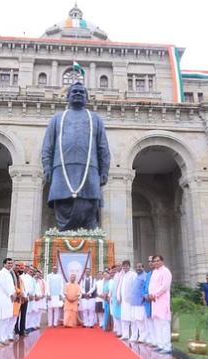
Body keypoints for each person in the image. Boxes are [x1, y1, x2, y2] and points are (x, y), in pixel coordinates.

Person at [41, 81, 111, 231]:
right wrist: (47, 167)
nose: (78, 94)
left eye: (81, 92)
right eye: (74, 92)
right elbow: (48, 146)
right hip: (62, 171)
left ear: (87, 98)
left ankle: (90, 245)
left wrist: (104, 170)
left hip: (89, 172)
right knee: (62, 207)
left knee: (89, 211)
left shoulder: (96, 119)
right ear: (67, 97)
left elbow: (103, 147)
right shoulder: (57, 118)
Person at [147, 254, 173, 354]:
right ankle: (160, 344)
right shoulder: (154, 272)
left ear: (162, 261)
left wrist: (155, 294)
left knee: (163, 323)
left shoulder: (166, 271)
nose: (156, 262)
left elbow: (165, 286)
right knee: (157, 323)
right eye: (154, 261)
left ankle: (167, 346)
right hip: (154, 301)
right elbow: (151, 285)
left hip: (162, 300)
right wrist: (150, 294)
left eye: (158, 260)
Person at [0, 258, 16, 346]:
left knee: (6, 319)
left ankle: (3, 338)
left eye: (11, 263)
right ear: (4, 264)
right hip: (2, 300)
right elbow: (5, 286)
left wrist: (14, 293)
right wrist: (11, 294)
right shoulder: (2, 273)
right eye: (8, 263)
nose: (10, 265)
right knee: (0, 319)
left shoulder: (8, 273)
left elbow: (11, 286)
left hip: (8, 300)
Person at [118, 260, 136, 340]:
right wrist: (119, 296)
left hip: (130, 301)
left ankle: (134, 336)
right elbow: (119, 287)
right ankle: (125, 335)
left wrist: (133, 298)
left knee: (132, 319)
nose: (125, 267)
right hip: (123, 301)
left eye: (126, 265)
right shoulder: (122, 275)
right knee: (124, 318)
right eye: (124, 266)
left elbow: (135, 288)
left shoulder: (133, 274)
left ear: (129, 266)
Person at [130, 263, 147, 343]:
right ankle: (138, 336)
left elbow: (145, 289)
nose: (138, 268)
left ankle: (143, 337)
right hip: (134, 303)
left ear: (143, 267)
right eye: (136, 267)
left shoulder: (145, 276)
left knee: (141, 320)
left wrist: (143, 298)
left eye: (140, 267)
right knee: (136, 320)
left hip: (140, 303)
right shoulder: (137, 277)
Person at [143, 256, 156, 347]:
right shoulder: (148, 274)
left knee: (155, 321)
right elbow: (145, 287)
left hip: (155, 300)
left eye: (152, 261)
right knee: (149, 320)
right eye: (149, 261)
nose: (150, 263)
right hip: (147, 301)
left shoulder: (159, 273)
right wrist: (144, 295)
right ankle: (151, 339)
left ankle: (156, 341)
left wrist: (152, 295)